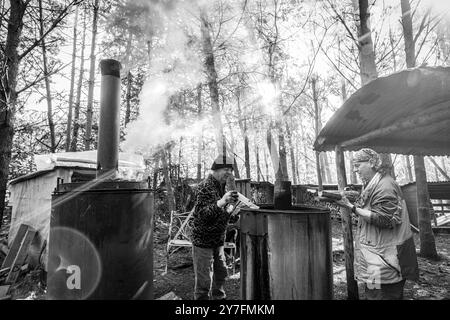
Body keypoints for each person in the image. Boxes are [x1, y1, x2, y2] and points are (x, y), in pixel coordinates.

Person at [334, 148, 419, 300]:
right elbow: (371, 205)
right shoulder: (374, 183)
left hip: (386, 261)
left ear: (372, 163)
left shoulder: (385, 186)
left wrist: (351, 207)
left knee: (382, 295)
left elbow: (384, 219)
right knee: (372, 293)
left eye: (358, 164)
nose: (355, 169)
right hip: (375, 259)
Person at [191, 154, 239, 300]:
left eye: (230, 170)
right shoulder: (204, 187)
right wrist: (222, 202)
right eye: (226, 169)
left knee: (221, 276)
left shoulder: (222, 187)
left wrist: (233, 210)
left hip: (218, 242)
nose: (229, 173)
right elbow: (203, 215)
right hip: (203, 242)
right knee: (204, 283)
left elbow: (223, 215)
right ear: (216, 169)